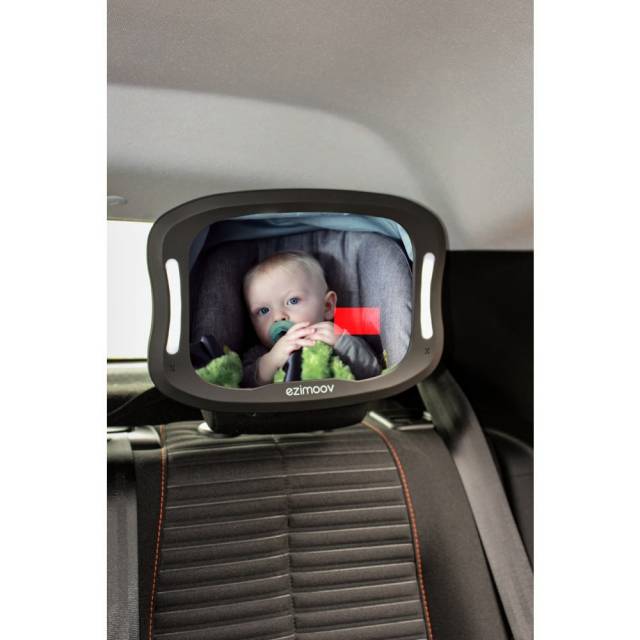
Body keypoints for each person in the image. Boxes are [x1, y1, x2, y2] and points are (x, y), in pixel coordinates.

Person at [242, 251, 381, 386]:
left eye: (293, 301)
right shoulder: (260, 353)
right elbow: (244, 385)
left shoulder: (341, 339)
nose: (278, 317)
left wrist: (343, 343)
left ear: (327, 306)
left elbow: (373, 373)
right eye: (264, 310)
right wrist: (271, 361)